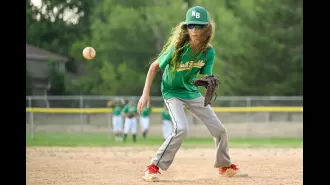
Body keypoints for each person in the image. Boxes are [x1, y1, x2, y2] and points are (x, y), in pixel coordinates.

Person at [137, 6, 248, 182]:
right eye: (191, 26)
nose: (195, 30)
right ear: (186, 28)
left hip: (191, 91)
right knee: (181, 128)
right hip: (172, 92)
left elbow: (207, 75)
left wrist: (208, 81)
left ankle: (225, 167)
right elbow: (154, 67)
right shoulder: (177, 48)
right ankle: (153, 167)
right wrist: (145, 94)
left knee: (219, 130)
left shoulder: (208, 52)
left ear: (207, 29)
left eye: (199, 26)